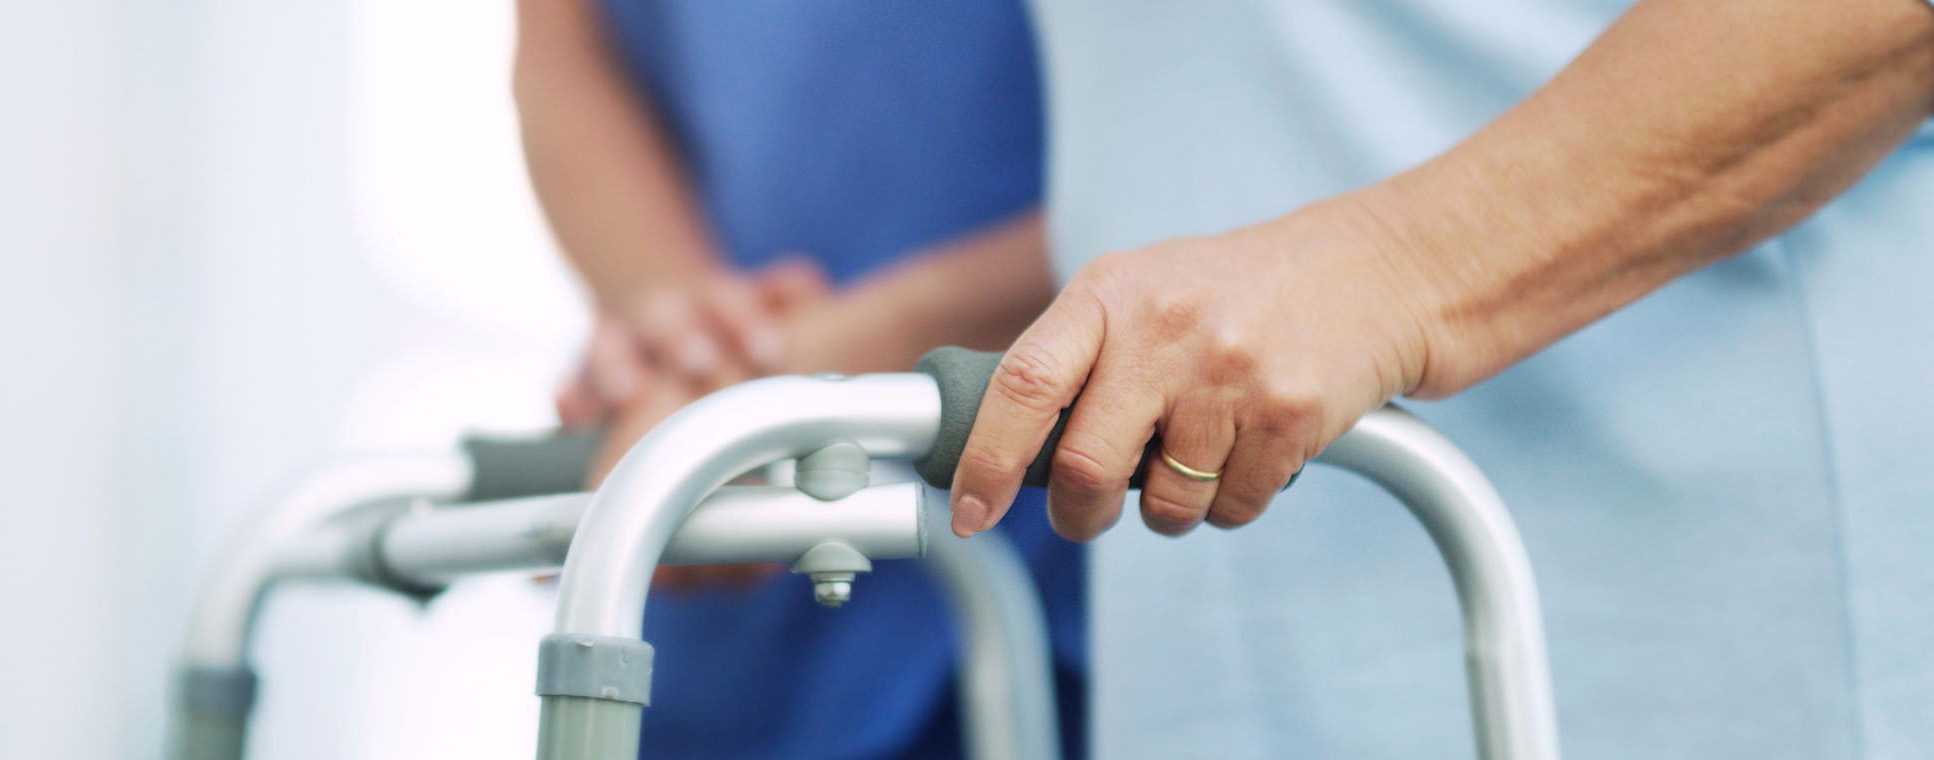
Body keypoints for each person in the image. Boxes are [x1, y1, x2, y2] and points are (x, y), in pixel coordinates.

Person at [944, 0, 1934, 756]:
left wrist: (1392, 265)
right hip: (1244, 630)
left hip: (1702, 605)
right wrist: (887, 335)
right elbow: (1272, 111)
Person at [512, 0, 1085, 757]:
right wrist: (695, 334)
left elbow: (1215, 141)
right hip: (730, 560)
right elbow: (566, 51)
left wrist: (836, 351)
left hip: (1070, 533)